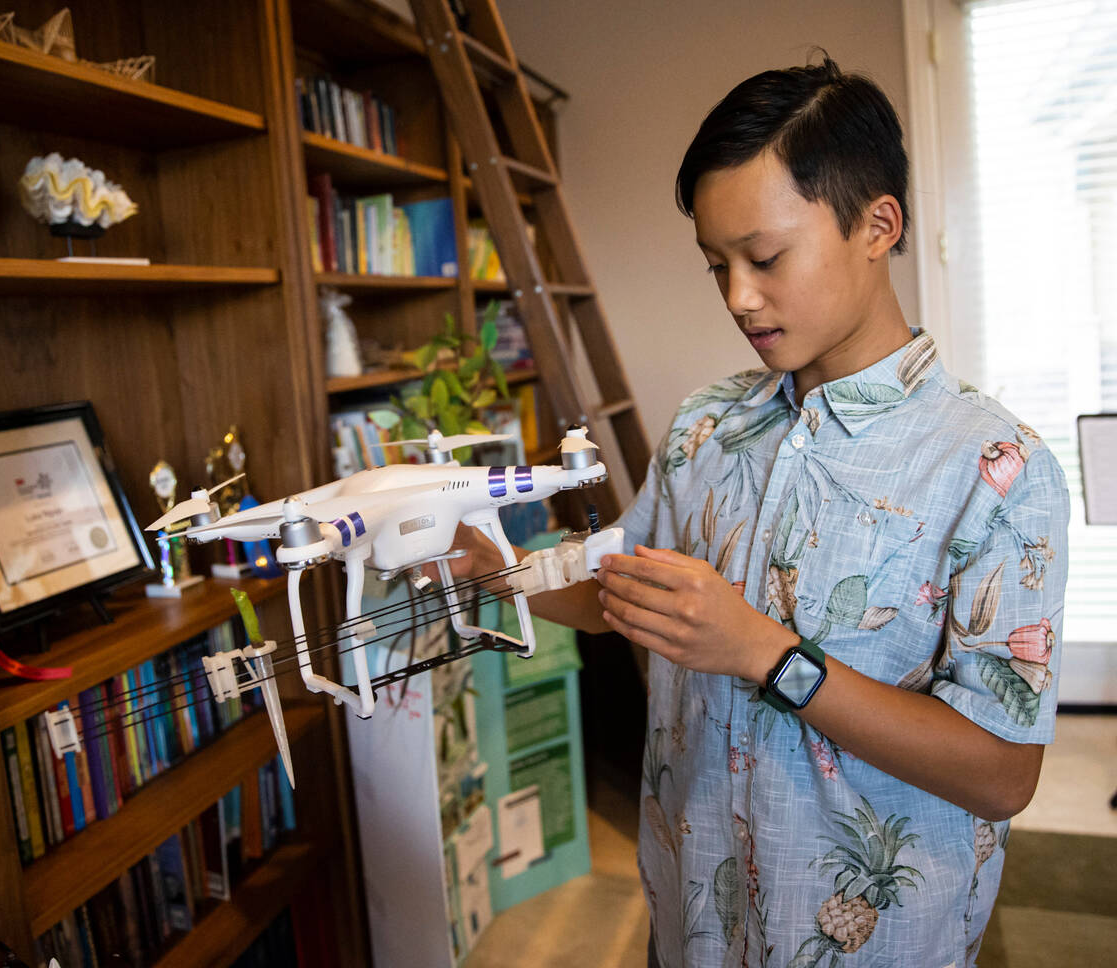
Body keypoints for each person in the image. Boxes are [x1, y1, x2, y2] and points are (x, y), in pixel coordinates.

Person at [446, 55, 1068, 967]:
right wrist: (490, 570)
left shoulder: (997, 467)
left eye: (765, 258)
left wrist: (765, 653)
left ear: (877, 225)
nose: (739, 296)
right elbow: (627, 589)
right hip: (687, 917)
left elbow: (1003, 772)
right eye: (716, 265)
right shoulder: (707, 423)